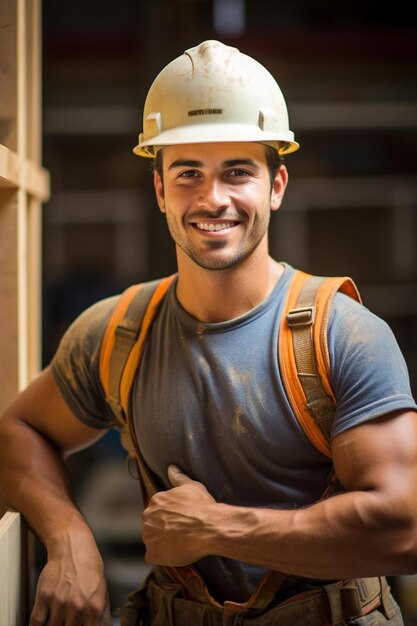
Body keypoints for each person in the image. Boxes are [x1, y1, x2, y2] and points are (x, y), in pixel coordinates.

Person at [0, 39, 416, 626]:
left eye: (237, 172)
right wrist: (70, 539)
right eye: (188, 173)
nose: (212, 197)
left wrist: (217, 529)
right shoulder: (119, 331)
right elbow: (19, 429)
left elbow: (405, 528)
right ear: (160, 191)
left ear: (276, 186)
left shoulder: (341, 335)